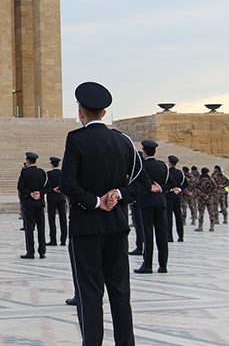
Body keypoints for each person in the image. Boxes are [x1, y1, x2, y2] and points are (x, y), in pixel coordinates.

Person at [59, 81, 150, 346]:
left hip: (86, 226)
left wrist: (97, 201)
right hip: (117, 226)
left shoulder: (77, 139)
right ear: (104, 113)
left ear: (80, 111)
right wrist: (119, 194)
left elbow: (67, 184)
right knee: (120, 292)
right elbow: (142, 182)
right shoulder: (122, 141)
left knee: (90, 294)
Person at [135, 141, 169, 274]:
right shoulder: (163, 166)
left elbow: (137, 184)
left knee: (147, 234)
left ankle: (147, 265)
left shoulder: (141, 167)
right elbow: (170, 183)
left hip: (146, 202)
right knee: (162, 234)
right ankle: (163, 265)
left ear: (144, 152)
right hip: (160, 201)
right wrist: (160, 188)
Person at [18, 152, 50, 259]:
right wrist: (40, 193)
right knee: (41, 227)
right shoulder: (42, 172)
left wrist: (30, 194)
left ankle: (30, 251)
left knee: (29, 228)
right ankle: (42, 251)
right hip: (39, 203)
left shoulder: (25, 173)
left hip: (29, 203)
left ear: (27, 161)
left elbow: (20, 187)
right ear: (36, 161)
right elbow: (48, 187)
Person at [164, 156, 187, 243]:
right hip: (177, 196)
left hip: (169, 196)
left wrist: (170, 189)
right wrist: (179, 189)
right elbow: (185, 184)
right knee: (178, 216)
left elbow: (165, 183)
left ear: (169, 163)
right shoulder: (180, 173)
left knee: (168, 216)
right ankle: (181, 236)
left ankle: (170, 236)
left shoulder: (167, 172)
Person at [46, 157, 67, 246]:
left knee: (52, 219)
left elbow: (46, 185)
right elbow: (67, 184)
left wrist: (52, 189)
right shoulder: (63, 173)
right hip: (61, 197)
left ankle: (53, 239)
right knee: (63, 218)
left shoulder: (48, 174)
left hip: (52, 198)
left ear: (51, 164)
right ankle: (63, 239)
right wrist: (60, 189)